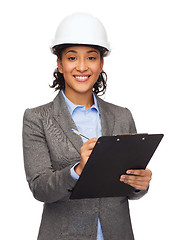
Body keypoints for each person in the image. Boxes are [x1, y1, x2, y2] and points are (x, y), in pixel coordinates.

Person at [23, 12, 152, 240]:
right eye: (72, 58)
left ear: (101, 64)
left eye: (91, 58)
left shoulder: (122, 116)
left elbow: (130, 189)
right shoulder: (38, 118)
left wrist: (139, 184)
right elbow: (40, 188)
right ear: (60, 64)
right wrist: (78, 171)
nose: (82, 67)